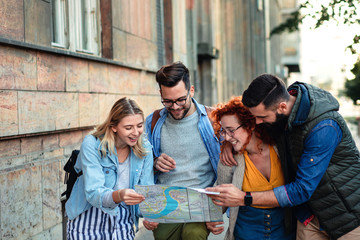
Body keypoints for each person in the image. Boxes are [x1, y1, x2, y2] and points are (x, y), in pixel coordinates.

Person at [220, 74, 360, 239]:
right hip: (309, 217)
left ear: (282, 107)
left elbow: (301, 189)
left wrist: (245, 198)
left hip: (346, 217)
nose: (257, 122)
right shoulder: (279, 114)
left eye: (262, 117)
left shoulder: (324, 126)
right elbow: (242, 126)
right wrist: (229, 142)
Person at [143, 62, 221, 240]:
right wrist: (154, 162)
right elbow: (140, 163)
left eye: (180, 100)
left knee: (192, 235)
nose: (175, 107)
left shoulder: (212, 120)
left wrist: (218, 209)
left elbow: (228, 167)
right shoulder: (153, 121)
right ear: (161, 94)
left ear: (191, 91)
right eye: (168, 101)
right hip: (166, 202)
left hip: (201, 201)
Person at [205, 96, 294, 240]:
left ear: (250, 125)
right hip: (246, 231)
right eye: (223, 131)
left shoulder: (279, 146)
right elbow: (221, 196)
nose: (227, 138)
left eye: (231, 130)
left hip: (285, 229)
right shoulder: (229, 158)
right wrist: (211, 216)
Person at [65, 97, 155, 240]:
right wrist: (119, 195)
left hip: (123, 221)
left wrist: (150, 215)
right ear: (114, 126)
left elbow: (146, 190)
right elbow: (93, 193)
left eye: (139, 125)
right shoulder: (92, 145)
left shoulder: (145, 149)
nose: (136, 132)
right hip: (88, 220)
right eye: (128, 127)